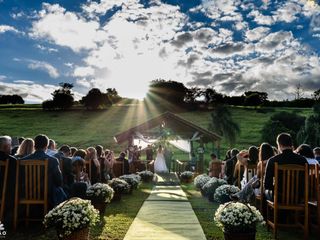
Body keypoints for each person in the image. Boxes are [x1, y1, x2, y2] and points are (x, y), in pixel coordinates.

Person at [21, 134, 67, 208]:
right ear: (46, 146)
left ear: (34, 145)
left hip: (25, 193)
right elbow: (59, 181)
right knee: (60, 190)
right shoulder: (52, 160)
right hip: (47, 195)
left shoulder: (22, 160)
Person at [264, 133, 308, 201]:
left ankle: (269, 211)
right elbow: (306, 180)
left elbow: (267, 184)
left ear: (279, 145)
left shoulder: (273, 160)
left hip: (279, 198)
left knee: (265, 193)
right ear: (291, 144)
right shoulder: (303, 160)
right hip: (299, 197)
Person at [0, 136, 16, 227]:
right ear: (6, 147)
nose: (11, 148)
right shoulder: (11, 160)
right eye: (10, 146)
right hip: (5, 192)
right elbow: (14, 180)